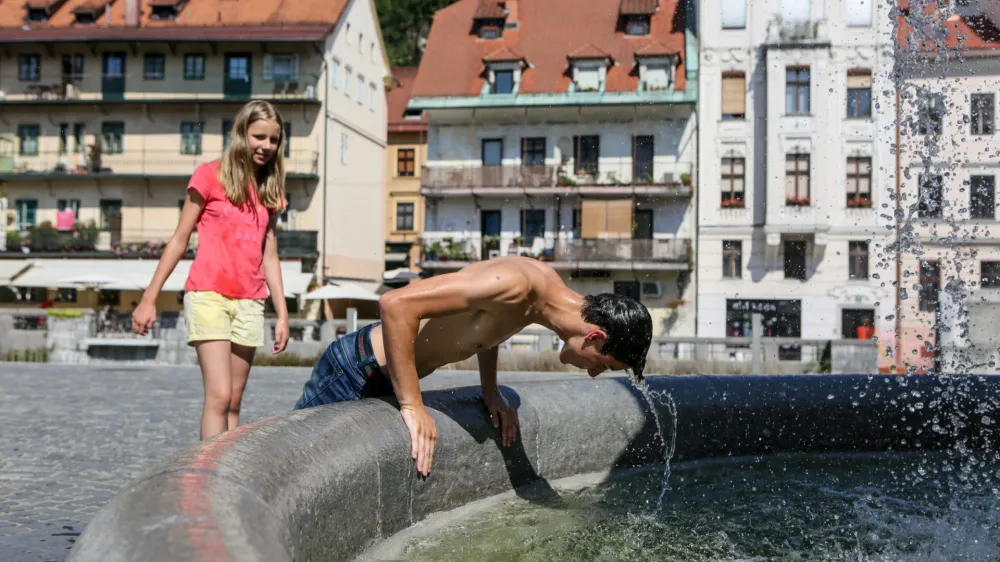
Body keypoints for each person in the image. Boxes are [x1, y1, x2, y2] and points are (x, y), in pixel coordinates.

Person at [294, 256, 652, 477]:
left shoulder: (542, 298)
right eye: (604, 365)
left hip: (386, 375)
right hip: (354, 371)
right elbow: (396, 304)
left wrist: (490, 390)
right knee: (292, 468)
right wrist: (412, 405)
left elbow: (489, 330)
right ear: (596, 338)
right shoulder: (519, 284)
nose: (594, 373)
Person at [133, 100, 290, 440]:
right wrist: (149, 299)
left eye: (274, 140)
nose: (266, 146)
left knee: (234, 401)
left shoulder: (270, 188)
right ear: (241, 134)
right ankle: (207, 476)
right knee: (218, 396)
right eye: (259, 136)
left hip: (250, 300)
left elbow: (270, 254)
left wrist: (282, 313)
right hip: (209, 295)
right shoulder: (209, 175)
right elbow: (178, 240)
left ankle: (226, 476)